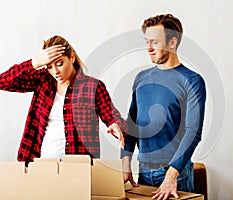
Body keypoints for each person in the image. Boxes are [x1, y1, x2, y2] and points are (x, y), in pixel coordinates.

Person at [0, 35, 127, 165]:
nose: (55, 72)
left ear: (72, 58)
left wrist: (114, 124)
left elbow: (110, 114)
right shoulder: (42, 80)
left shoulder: (92, 86)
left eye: (59, 64)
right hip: (41, 164)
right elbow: (3, 82)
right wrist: (36, 62)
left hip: (79, 166)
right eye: (49, 66)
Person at [121, 14, 206, 200]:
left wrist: (171, 175)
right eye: (147, 42)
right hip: (143, 172)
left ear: (172, 42)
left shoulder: (192, 80)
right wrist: (126, 161)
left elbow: (193, 132)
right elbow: (132, 123)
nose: (149, 48)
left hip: (175, 174)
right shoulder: (141, 78)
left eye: (155, 42)